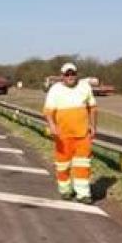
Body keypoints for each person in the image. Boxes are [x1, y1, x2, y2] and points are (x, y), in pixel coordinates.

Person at [43, 62, 98, 203]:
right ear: (62, 76)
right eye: (67, 74)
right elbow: (48, 112)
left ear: (76, 74)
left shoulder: (84, 87)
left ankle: (83, 194)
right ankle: (65, 190)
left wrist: (93, 126)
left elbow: (92, 107)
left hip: (82, 135)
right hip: (63, 135)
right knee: (63, 165)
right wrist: (52, 125)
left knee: (83, 165)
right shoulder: (55, 89)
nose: (70, 76)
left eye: (72, 73)